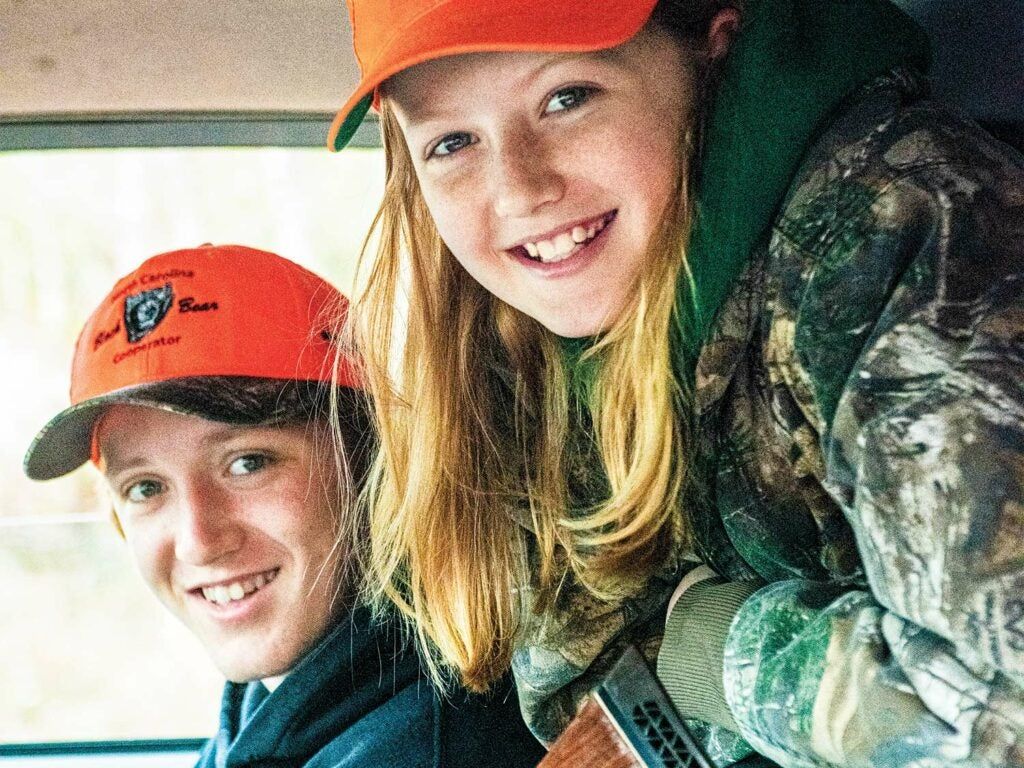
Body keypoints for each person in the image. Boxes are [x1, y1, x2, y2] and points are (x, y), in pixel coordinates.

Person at [328, 1, 1024, 766]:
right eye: (452, 142)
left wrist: (706, 639)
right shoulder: (515, 341)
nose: (520, 189)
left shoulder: (902, 230)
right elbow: (580, 680)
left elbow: (994, 720)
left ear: (709, 51)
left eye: (568, 98)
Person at [23, 244, 546, 768]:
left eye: (248, 463)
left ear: (368, 461)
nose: (198, 541)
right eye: (145, 488)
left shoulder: (421, 745)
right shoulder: (283, 698)